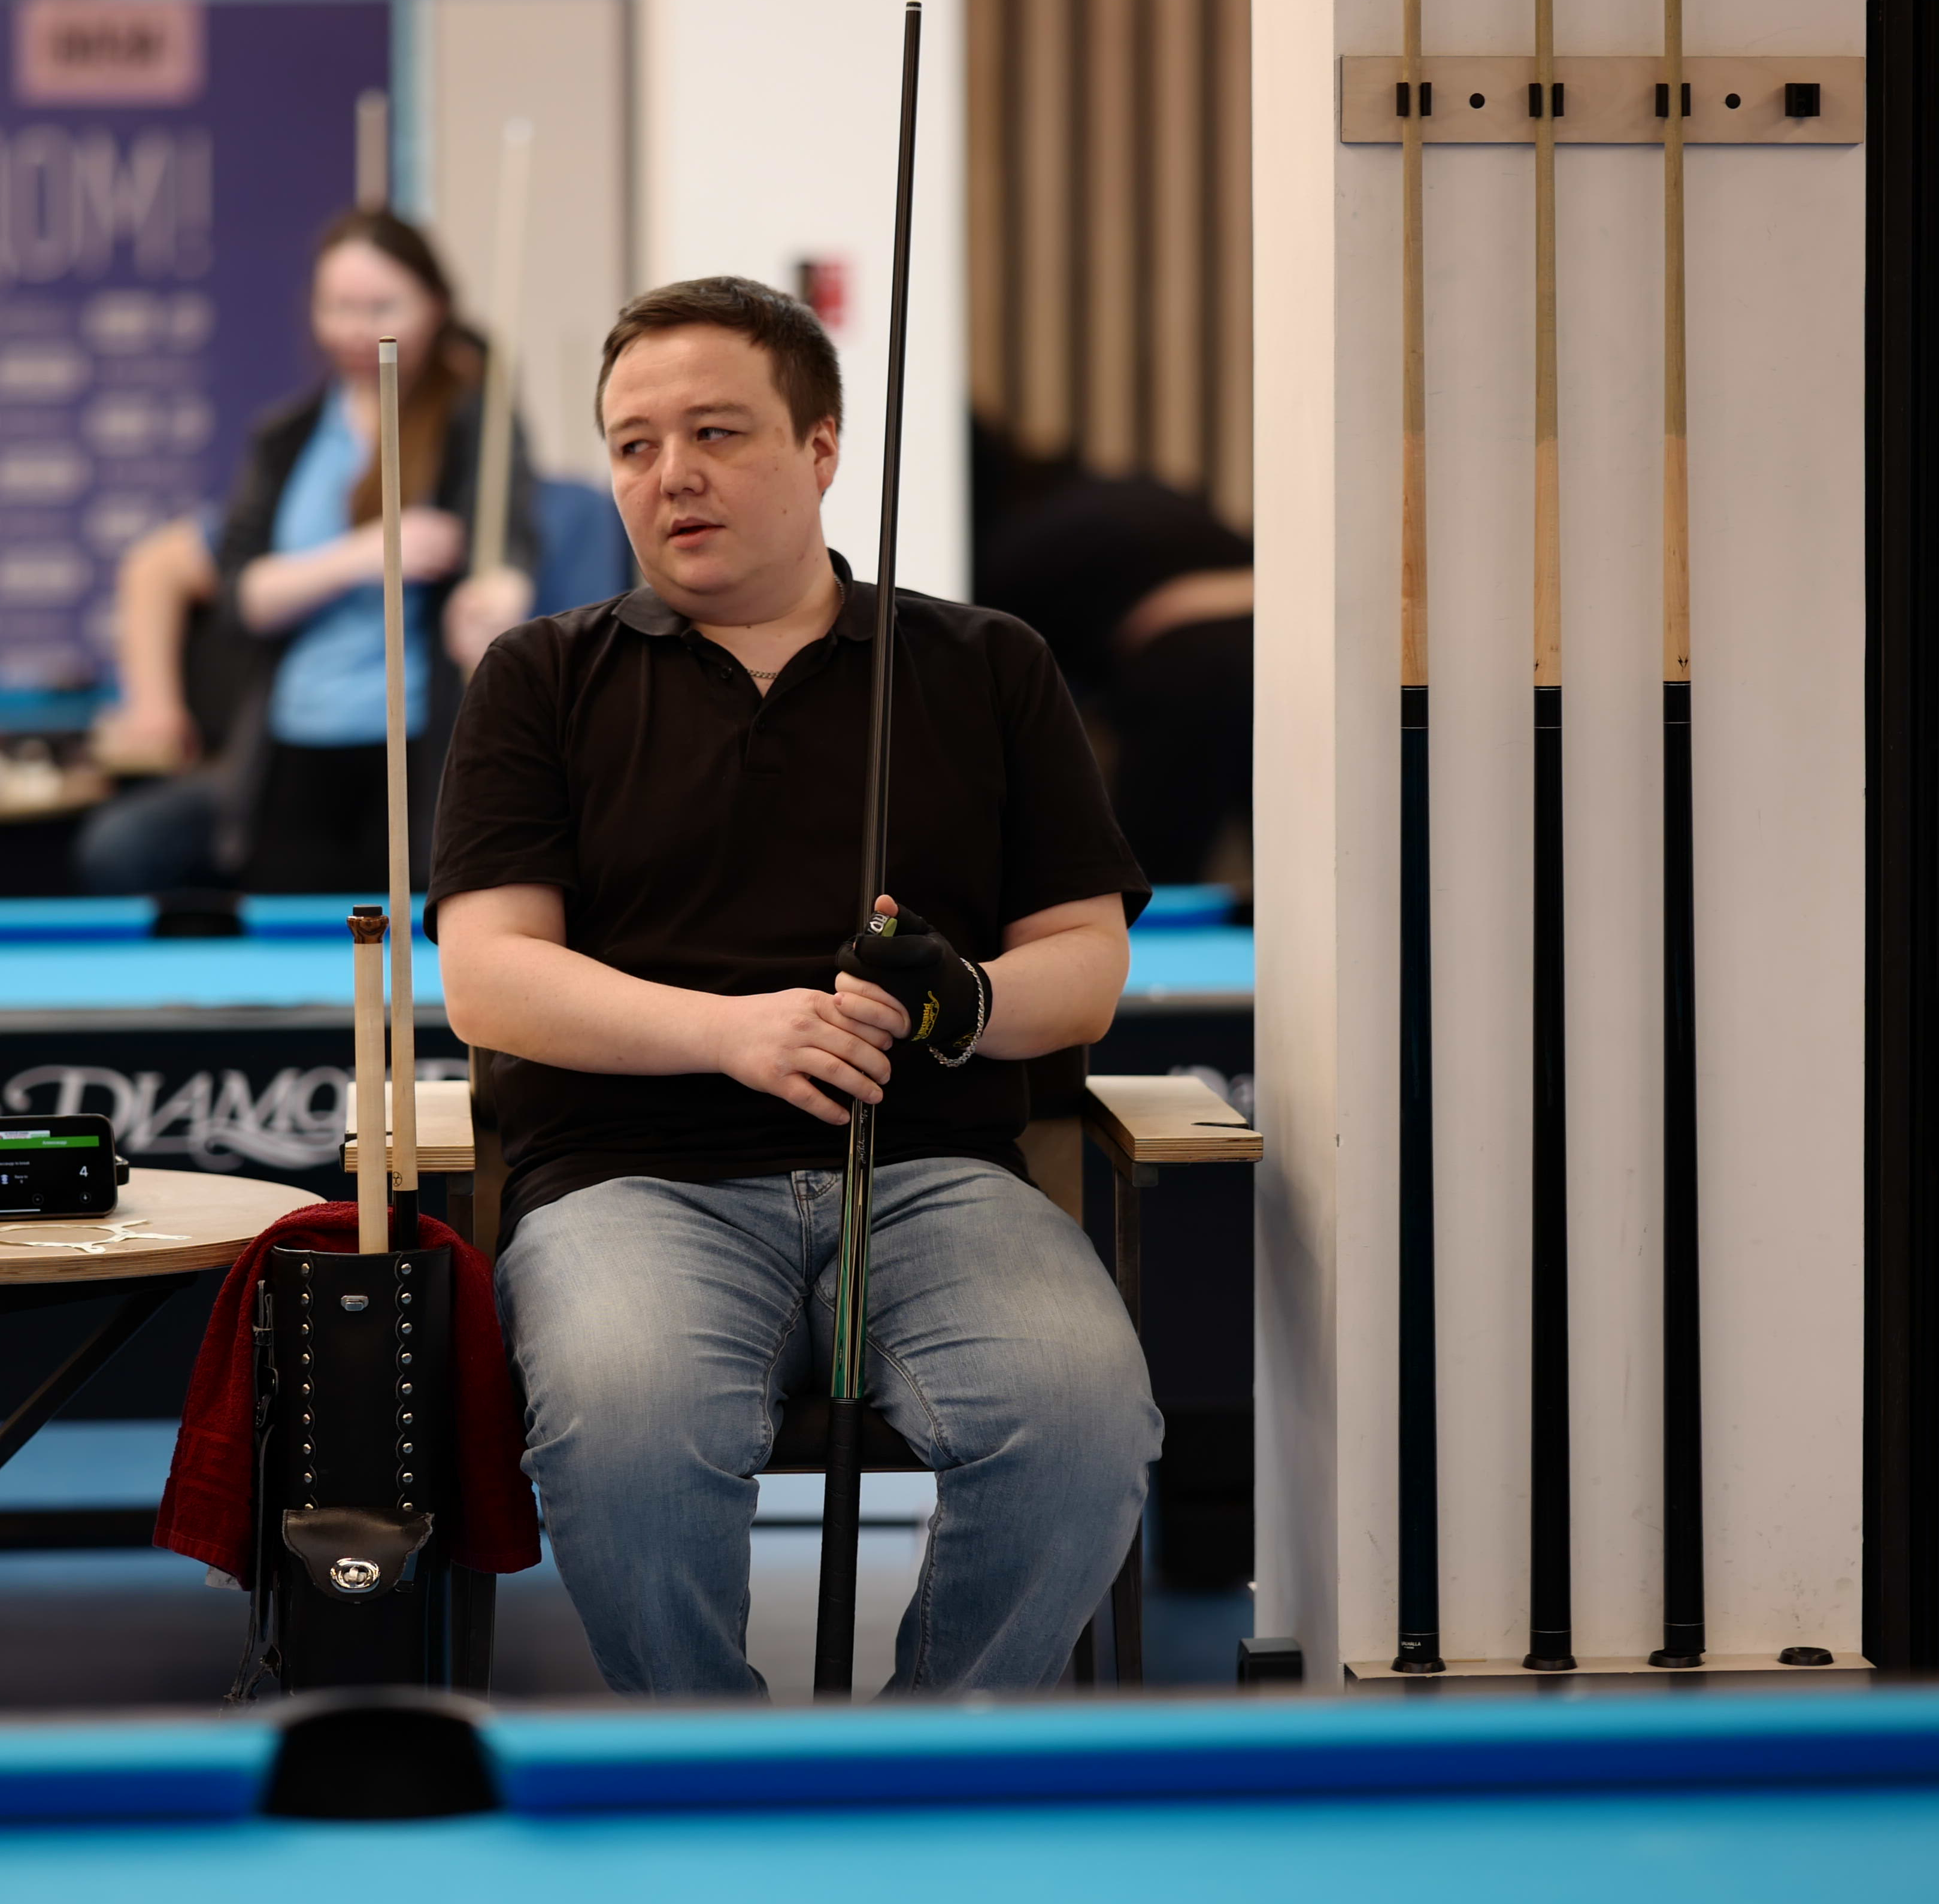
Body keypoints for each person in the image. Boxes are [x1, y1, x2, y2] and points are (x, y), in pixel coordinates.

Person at [431, 277, 1158, 1696]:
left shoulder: (984, 665)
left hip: (931, 1176)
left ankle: (918, 1772)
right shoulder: (540, 678)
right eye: (634, 444)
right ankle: (721, 1781)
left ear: (822, 448)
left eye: (716, 432)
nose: (671, 474)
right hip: (631, 1185)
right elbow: (489, 979)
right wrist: (733, 1034)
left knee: (1079, 1420)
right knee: (627, 1432)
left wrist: (963, 1000)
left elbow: (1084, 964)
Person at [81, 209, 537, 894]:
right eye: (337, 307)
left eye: (380, 307)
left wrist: (501, 593)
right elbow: (241, 596)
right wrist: (365, 553)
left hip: (416, 755)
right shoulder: (286, 437)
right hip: (290, 753)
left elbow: (507, 547)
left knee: (405, 937)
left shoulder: (476, 422)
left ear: (436, 306)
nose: (355, 328)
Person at [973, 424, 1255, 888]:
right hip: (1283, 648)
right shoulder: (1124, 491)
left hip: (1188, 670)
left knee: (1151, 887)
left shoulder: (1009, 545)